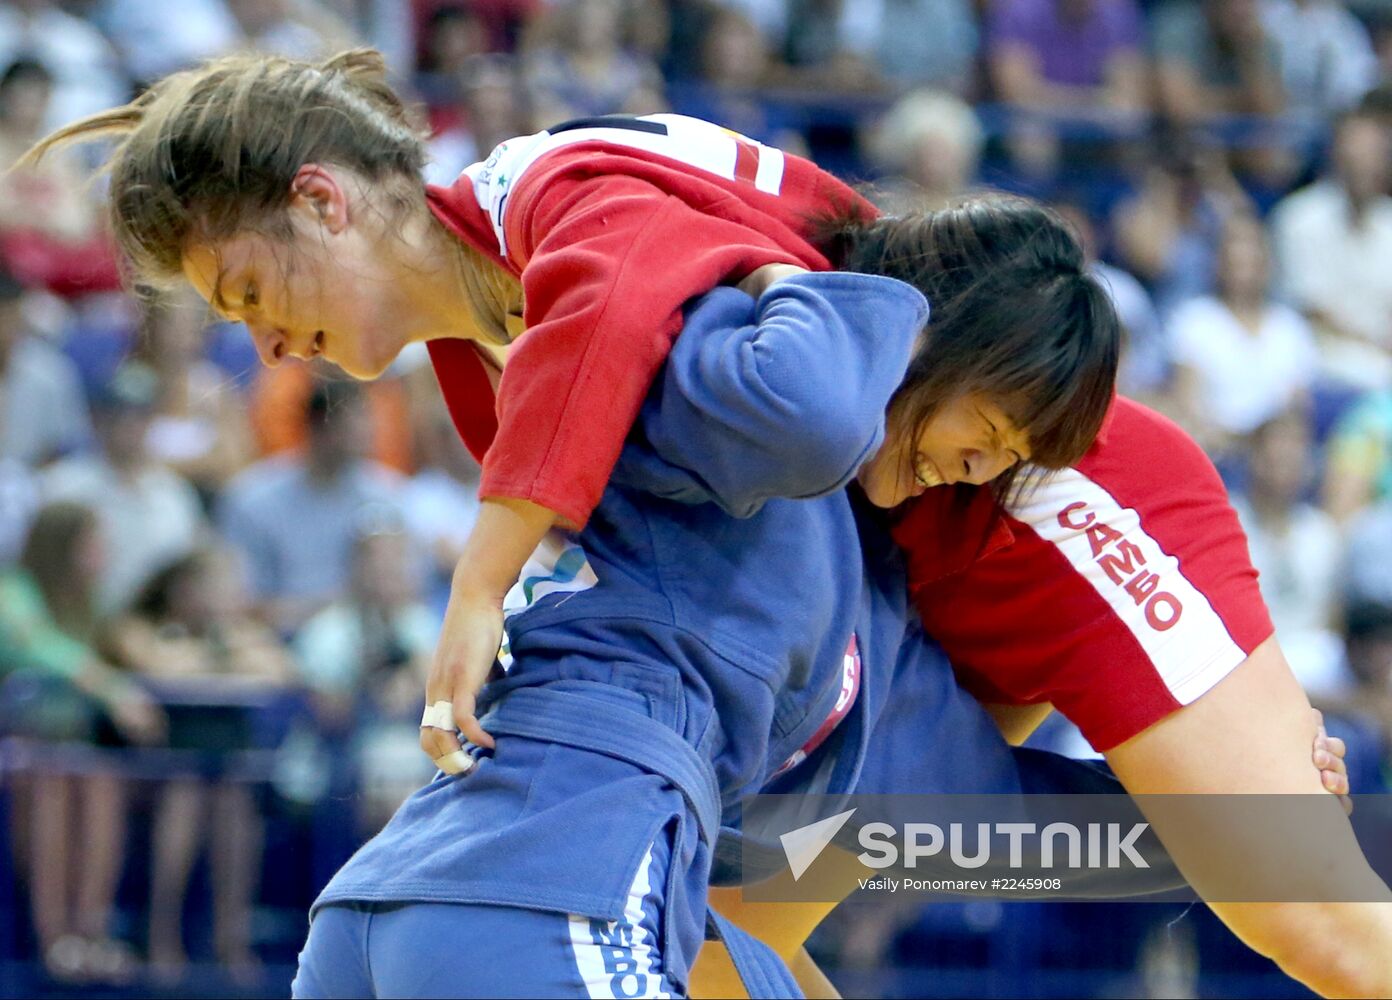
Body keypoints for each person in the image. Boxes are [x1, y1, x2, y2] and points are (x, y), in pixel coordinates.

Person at [21, 49, 932, 763]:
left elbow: (787, 406)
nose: (268, 349)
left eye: (251, 293)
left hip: (1006, 425)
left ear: (321, 203)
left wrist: (479, 583)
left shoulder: (541, 183)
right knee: (767, 912)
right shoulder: (483, 376)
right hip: (891, 633)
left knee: (1051, 850)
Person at [105, 545, 295, 982]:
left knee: (234, 804)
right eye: (214, 586)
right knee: (185, 799)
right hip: (158, 768)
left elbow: (279, 670)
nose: (224, 597)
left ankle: (230, 939)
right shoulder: (140, 625)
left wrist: (222, 641)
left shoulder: (239, 631)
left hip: (227, 768)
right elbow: (158, 663)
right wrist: (220, 657)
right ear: (182, 587)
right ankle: (161, 936)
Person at [0, 501, 164, 983]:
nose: (103, 555)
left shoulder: (93, 603)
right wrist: (108, 686)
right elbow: (29, 645)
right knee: (52, 779)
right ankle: (54, 938)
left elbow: (134, 650)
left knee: (100, 780)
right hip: (19, 747)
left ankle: (88, 934)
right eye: (93, 545)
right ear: (62, 547)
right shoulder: (14, 589)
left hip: (74, 749)